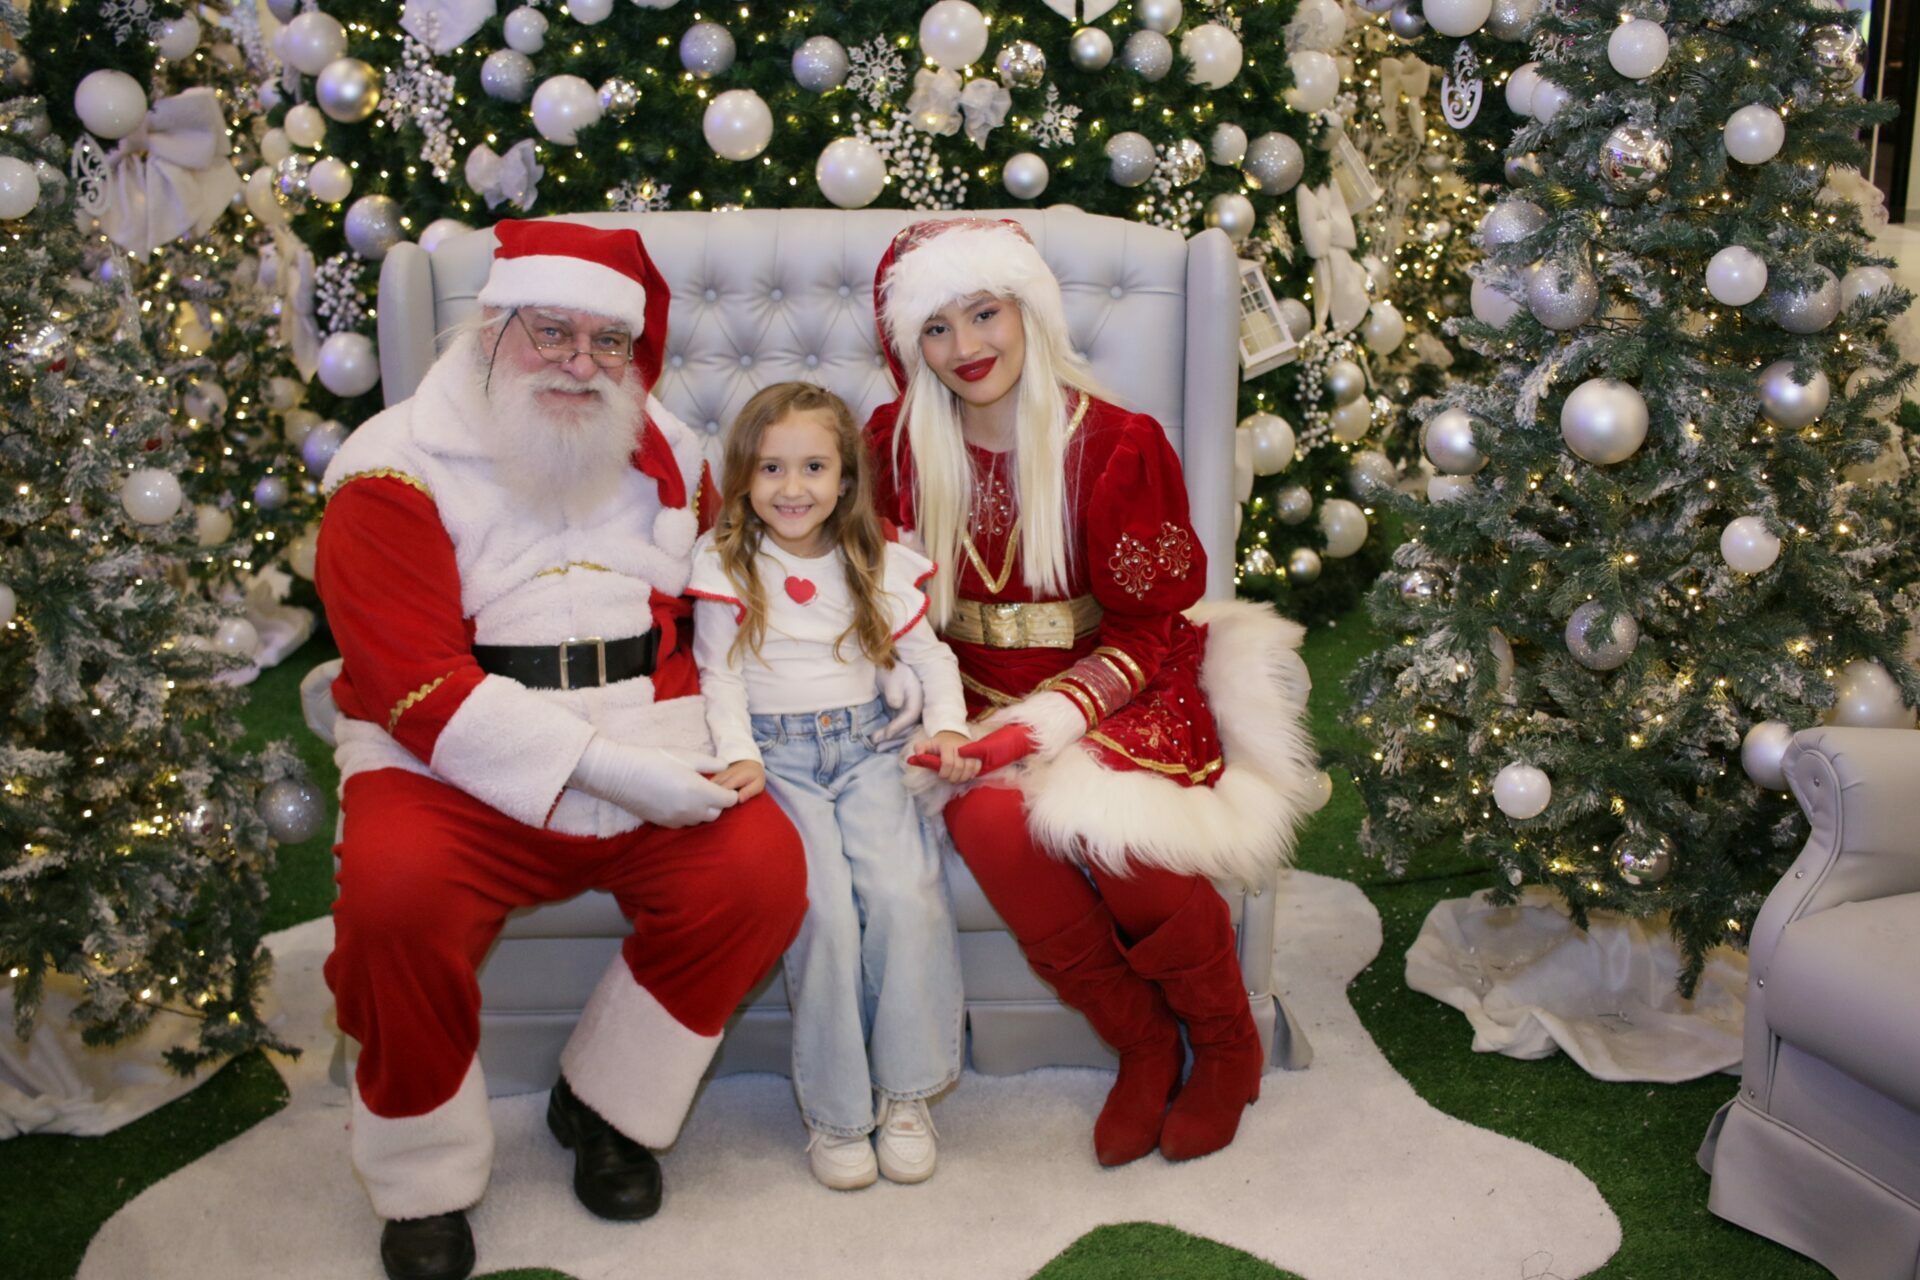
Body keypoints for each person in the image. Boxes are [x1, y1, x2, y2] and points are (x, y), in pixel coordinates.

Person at [313, 219, 807, 1280]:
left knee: (759, 872)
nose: (581, 363)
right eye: (552, 332)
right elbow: (416, 686)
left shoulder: (670, 451)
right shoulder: (387, 467)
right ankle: (424, 1181)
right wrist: (615, 772)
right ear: (493, 328)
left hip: (645, 724)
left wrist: (717, 741)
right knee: (395, 903)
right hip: (447, 760)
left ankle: (607, 1104)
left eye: (606, 341)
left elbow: (708, 615)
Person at [864, 217, 1318, 1167]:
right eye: (936, 328)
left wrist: (1041, 727)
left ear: (1027, 310)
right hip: (968, 701)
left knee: (1122, 837)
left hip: (1119, 685)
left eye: (984, 314)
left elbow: (1149, 630)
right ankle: (1142, 1045)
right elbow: (877, 605)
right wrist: (954, 722)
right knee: (992, 828)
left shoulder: (1115, 443)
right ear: (910, 346)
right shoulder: (894, 445)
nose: (965, 346)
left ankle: (1224, 1041)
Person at [686, 382, 970, 1191]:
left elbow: (929, 658)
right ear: (743, 476)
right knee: (825, 917)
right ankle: (839, 1114)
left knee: (906, 895)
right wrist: (738, 753)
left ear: (845, 477)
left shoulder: (872, 559)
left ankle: (906, 1094)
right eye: (771, 467)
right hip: (779, 762)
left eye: (813, 466)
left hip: (868, 748)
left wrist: (948, 727)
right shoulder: (726, 563)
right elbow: (719, 676)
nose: (792, 487)